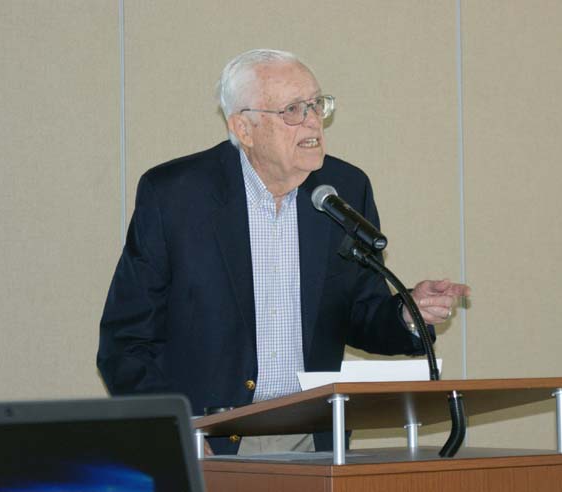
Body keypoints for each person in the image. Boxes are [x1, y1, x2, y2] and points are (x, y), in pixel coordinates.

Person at [97, 49, 470, 455]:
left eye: (316, 104)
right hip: (208, 439)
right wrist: (175, 430)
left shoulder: (344, 189)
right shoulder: (175, 196)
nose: (313, 120)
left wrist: (407, 312)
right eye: (293, 109)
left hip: (313, 439)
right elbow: (125, 342)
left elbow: (361, 311)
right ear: (245, 127)